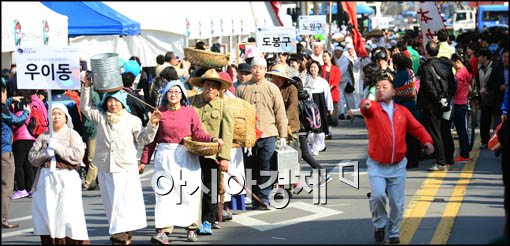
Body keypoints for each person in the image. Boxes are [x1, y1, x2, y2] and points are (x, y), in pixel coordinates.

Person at [139, 80, 222, 244]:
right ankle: (162, 230)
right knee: (164, 192)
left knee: (189, 192)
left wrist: (213, 139)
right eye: (170, 91)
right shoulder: (159, 113)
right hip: (164, 157)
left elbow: (198, 133)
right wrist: (143, 161)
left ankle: (191, 228)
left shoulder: (189, 112)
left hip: (186, 156)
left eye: (177, 91)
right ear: (165, 95)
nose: (173, 94)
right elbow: (150, 141)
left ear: (182, 95)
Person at [81, 76, 161, 245]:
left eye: (116, 101)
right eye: (110, 101)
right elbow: (85, 108)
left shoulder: (133, 120)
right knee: (112, 205)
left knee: (124, 205)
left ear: (123, 102)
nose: (113, 104)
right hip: (105, 168)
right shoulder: (101, 117)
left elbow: (144, 139)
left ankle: (120, 238)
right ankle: (123, 237)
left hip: (125, 169)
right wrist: (87, 87)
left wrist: (152, 125)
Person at [361, 79, 434, 244]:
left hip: (398, 165)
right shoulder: (373, 110)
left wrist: (427, 141)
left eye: (384, 87)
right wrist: (365, 104)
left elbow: (417, 128)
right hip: (377, 164)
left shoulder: (402, 111)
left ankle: (393, 231)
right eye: (377, 88)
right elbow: (365, 107)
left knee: (396, 203)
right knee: (378, 196)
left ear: (393, 92)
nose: (380, 90)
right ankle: (379, 224)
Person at [28, 103, 89, 245]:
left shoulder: (72, 134)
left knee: (67, 215)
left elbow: (78, 155)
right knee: (48, 214)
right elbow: (32, 157)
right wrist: (45, 153)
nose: (55, 117)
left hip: (66, 178)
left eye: (59, 114)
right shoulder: (44, 136)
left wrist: (58, 148)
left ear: (66, 117)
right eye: (53, 114)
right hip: (46, 179)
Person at [236, 57, 288, 209]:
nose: (257, 70)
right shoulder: (242, 88)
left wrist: (283, 135)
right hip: (248, 136)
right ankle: (254, 197)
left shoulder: (273, 88)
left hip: (268, 133)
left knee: (266, 165)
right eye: (254, 67)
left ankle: (264, 196)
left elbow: (280, 112)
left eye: (260, 68)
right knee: (250, 167)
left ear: (265, 70)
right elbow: (237, 114)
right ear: (251, 69)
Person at [188, 69, 233, 234]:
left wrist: (224, 158)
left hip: (212, 155)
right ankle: (193, 219)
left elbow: (227, 133)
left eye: (214, 86)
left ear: (219, 89)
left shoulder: (223, 106)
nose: (210, 89)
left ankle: (208, 220)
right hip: (191, 153)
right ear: (202, 86)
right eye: (207, 85)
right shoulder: (191, 102)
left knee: (211, 188)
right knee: (192, 187)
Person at [418, 41, 456, 171]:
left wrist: (437, 100)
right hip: (445, 103)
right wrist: (446, 99)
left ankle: (440, 161)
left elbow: (429, 87)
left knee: (435, 133)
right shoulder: (446, 65)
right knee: (445, 131)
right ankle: (449, 157)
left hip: (431, 105)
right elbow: (453, 85)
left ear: (427, 52)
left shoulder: (427, 67)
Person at [1, 79, 29, 229]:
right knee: (7, 187)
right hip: (4, 153)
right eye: (5, 91)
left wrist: (12, 99)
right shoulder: (3, 111)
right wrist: (26, 112)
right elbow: (16, 120)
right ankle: (3, 219)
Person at [11, 89, 47, 199]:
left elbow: (17, 122)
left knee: (18, 164)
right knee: (28, 164)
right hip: (33, 136)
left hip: (21, 138)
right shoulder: (38, 103)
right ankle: (30, 188)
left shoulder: (22, 106)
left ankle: (21, 188)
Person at [392, 53, 421, 168]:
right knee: (413, 134)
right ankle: (415, 158)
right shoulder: (410, 72)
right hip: (413, 106)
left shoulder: (400, 76)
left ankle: (409, 160)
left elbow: (395, 91)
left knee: (406, 136)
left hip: (403, 107)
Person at [477, 48, 505, 149]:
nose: (478, 58)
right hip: (484, 100)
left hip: (495, 99)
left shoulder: (495, 68)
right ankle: (485, 141)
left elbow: (499, 83)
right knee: (484, 122)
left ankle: (498, 143)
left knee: (496, 122)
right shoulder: (479, 69)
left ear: (485, 57)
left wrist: (489, 88)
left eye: (479, 56)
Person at [304, 60, 334, 156]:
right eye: (311, 67)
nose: (313, 69)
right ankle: (312, 145)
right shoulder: (306, 80)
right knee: (311, 128)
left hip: (320, 105)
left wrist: (330, 107)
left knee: (320, 128)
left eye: (315, 67)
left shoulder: (323, 82)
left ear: (318, 69)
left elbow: (327, 96)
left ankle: (317, 146)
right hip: (309, 106)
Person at [451, 53, 473, 162]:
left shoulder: (459, 74)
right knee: (462, 130)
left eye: (453, 64)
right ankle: (465, 153)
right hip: (464, 102)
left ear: (457, 61)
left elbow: (456, 89)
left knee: (461, 130)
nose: (453, 66)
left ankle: (464, 154)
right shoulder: (466, 71)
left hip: (458, 103)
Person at [322, 50, 341, 130]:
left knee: (333, 117)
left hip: (333, 94)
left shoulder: (336, 69)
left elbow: (336, 81)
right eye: (323, 56)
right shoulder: (321, 68)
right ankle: (327, 131)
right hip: (323, 94)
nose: (324, 58)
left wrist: (329, 88)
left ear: (330, 57)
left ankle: (330, 128)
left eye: (325, 56)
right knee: (325, 114)